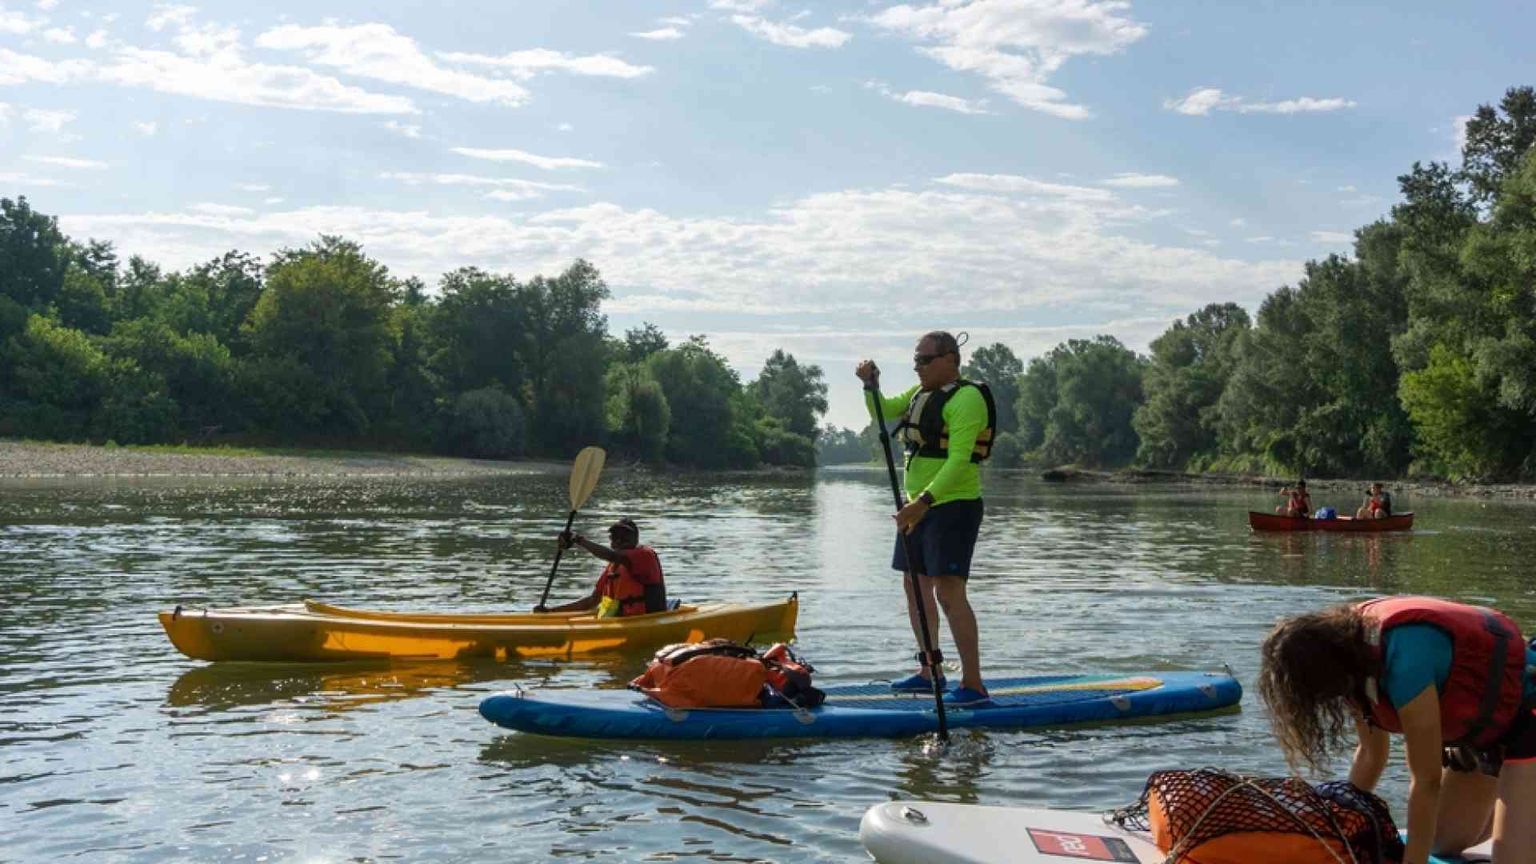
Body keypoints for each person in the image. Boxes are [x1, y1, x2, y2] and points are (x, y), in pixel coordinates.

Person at [1257, 596, 1536, 864]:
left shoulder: (1405, 661)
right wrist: (1340, 831)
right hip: (1485, 734)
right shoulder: (1351, 662)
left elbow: (1426, 781)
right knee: (1442, 843)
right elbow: (1370, 755)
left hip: (1527, 721)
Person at [857, 330, 998, 707]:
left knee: (949, 592)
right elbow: (882, 411)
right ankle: (930, 671)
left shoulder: (966, 399)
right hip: (917, 507)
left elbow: (958, 461)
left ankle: (973, 684)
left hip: (952, 506)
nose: (917, 367)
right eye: (915, 360)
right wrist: (871, 385)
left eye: (924, 360)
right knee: (914, 588)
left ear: (950, 359)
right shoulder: (920, 395)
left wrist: (924, 502)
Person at [533, 517, 667, 617]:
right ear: (611, 542)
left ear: (636, 539)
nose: (619, 541)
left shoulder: (644, 555)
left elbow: (612, 555)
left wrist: (577, 539)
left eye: (625, 537)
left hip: (646, 621)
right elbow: (591, 602)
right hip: (621, 623)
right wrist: (551, 612)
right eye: (615, 537)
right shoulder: (613, 567)